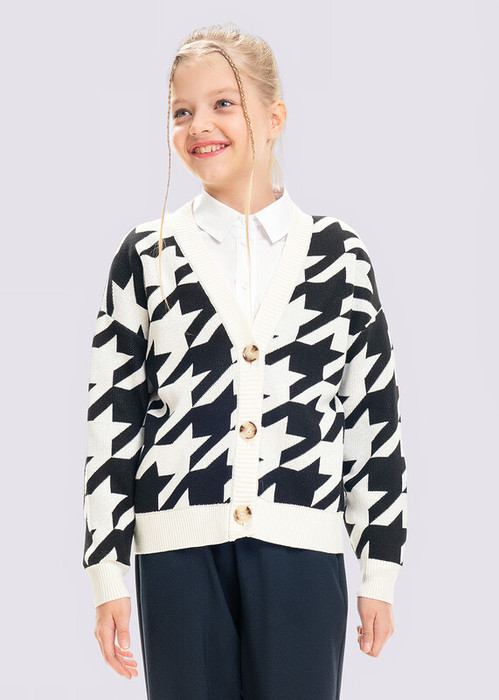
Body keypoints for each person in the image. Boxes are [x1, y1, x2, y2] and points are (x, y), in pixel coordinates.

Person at [82, 22, 408, 700]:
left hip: (302, 552)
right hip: (176, 554)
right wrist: (107, 574)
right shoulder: (146, 255)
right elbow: (113, 419)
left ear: (274, 117)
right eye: (181, 111)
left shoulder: (339, 257)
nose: (199, 124)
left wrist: (378, 568)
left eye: (222, 103)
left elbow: (371, 418)